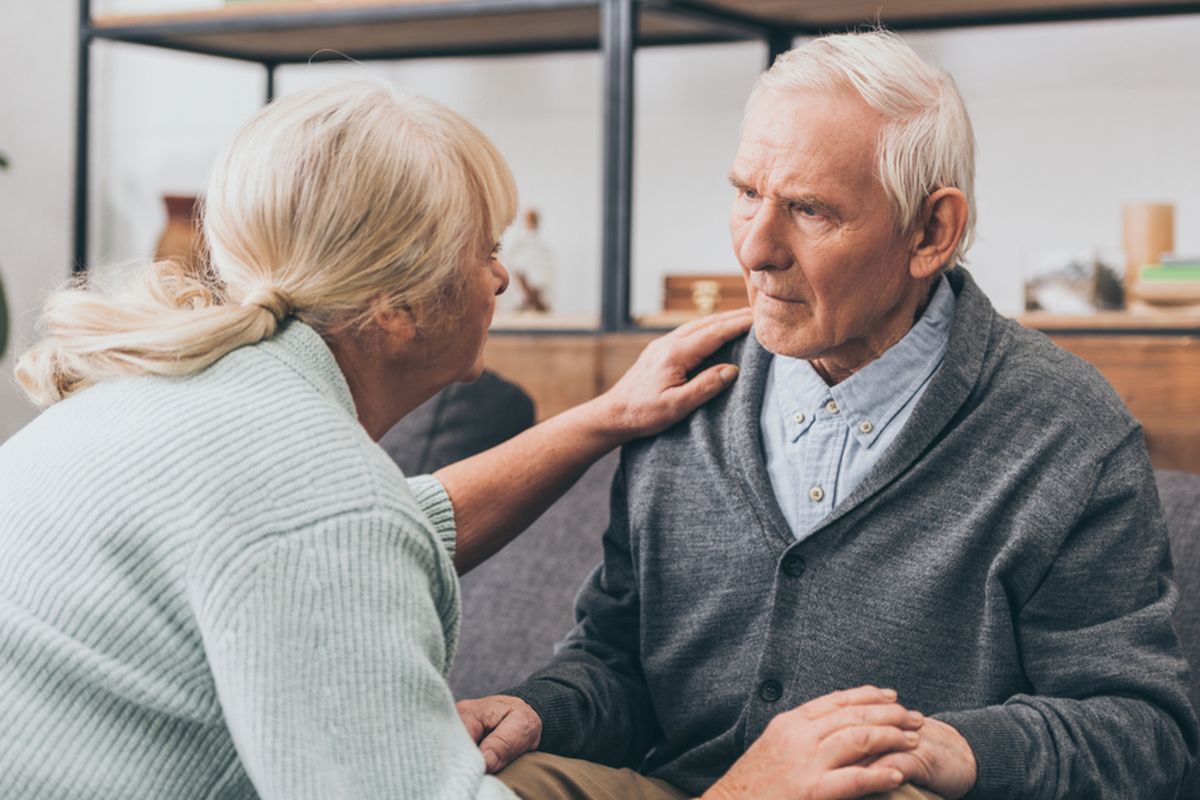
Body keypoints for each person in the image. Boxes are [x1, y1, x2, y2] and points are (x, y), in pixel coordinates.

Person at [0, 80, 928, 800]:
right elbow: (339, 534)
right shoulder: (315, 506)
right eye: (480, 249)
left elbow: (395, 522)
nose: (498, 279)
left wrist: (603, 416)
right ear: (396, 305)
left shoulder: (190, 398)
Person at [458, 30, 1199, 800]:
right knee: (477, 780)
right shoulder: (682, 390)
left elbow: (1143, 735)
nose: (755, 249)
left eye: (809, 210)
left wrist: (952, 749)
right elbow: (617, 661)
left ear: (929, 232)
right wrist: (540, 711)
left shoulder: (1065, 429)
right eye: (747, 193)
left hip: (886, 794)